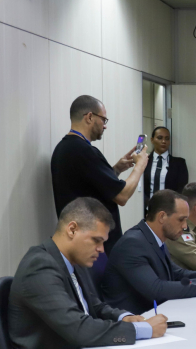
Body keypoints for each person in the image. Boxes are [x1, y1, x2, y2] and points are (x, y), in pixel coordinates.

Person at [8, 198, 168, 349]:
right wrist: (144, 330)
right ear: (72, 229)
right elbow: (79, 329)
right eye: (96, 240)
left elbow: (92, 305)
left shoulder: (73, 261)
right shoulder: (40, 266)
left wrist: (123, 317)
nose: (101, 250)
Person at [101, 189, 196, 315]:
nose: (185, 226)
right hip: (133, 319)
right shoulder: (133, 243)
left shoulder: (155, 238)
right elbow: (156, 289)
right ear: (162, 217)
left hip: (155, 312)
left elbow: (176, 273)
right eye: (181, 219)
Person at [51, 95, 148, 255]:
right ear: (89, 117)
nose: (105, 126)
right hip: (94, 244)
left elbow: (90, 185)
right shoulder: (85, 151)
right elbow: (122, 196)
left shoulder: (63, 148)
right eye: (104, 120)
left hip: (77, 240)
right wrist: (140, 165)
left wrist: (116, 169)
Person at [143, 126, 189, 211]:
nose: (163, 141)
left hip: (170, 210)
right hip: (147, 210)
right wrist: (148, 204)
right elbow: (140, 188)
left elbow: (182, 189)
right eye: (160, 138)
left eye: (167, 138)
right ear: (152, 140)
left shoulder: (179, 163)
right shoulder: (144, 162)